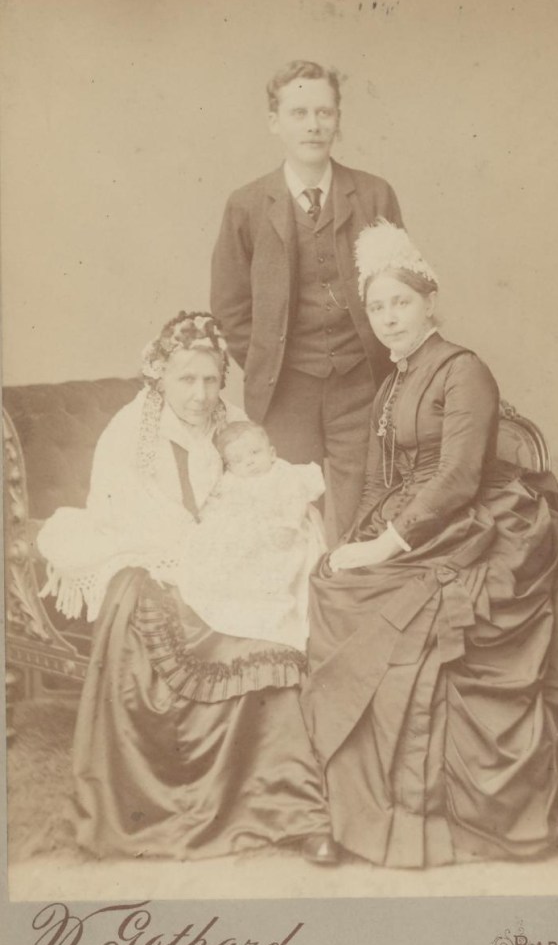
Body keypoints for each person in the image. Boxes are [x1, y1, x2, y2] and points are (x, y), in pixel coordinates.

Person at [301, 221, 558, 869]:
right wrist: (354, 542)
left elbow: (457, 478)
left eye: (401, 302)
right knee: (335, 585)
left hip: (483, 524)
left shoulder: (463, 369)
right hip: (419, 518)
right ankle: (357, 802)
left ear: (430, 302)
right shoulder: (391, 385)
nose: (389, 318)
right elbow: (376, 481)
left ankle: (422, 808)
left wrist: (384, 548)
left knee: (409, 605)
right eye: (378, 307)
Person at [37, 311, 337, 864]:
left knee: (268, 638)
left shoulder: (234, 425)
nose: (200, 395)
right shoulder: (131, 431)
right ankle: (168, 805)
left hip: (229, 566)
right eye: (186, 379)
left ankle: (294, 810)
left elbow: (266, 492)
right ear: (160, 375)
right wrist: (192, 547)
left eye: (210, 379)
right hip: (154, 561)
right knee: (143, 615)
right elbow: (119, 515)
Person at [211, 59, 404, 538]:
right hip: (284, 390)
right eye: (298, 113)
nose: (313, 125)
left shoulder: (374, 195)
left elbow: (400, 290)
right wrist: (267, 360)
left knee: (366, 509)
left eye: (324, 112)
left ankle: (354, 588)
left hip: (362, 384)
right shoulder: (247, 204)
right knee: (289, 516)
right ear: (274, 122)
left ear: (338, 119)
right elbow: (230, 307)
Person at [176, 421, 326, 650]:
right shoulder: (232, 480)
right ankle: (244, 613)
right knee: (227, 560)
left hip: (283, 533)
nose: (249, 462)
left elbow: (294, 500)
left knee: (281, 571)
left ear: (272, 453)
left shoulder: (283, 473)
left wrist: (288, 525)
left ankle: (277, 615)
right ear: (229, 466)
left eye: (255, 452)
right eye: (238, 460)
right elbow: (218, 503)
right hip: (250, 536)